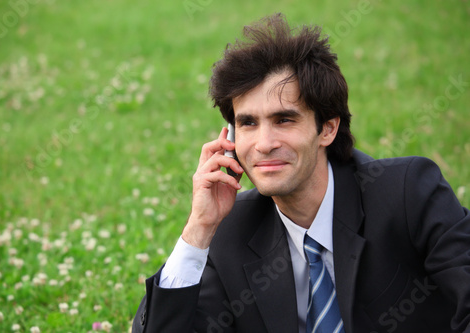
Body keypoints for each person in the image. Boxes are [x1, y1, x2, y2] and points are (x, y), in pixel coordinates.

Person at [132, 13, 470, 333]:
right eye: (247, 123)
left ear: (327, 129)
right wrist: (198, 229)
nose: (263, 144)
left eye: (284, 120)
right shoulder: (230, 231)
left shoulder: (409, 192)